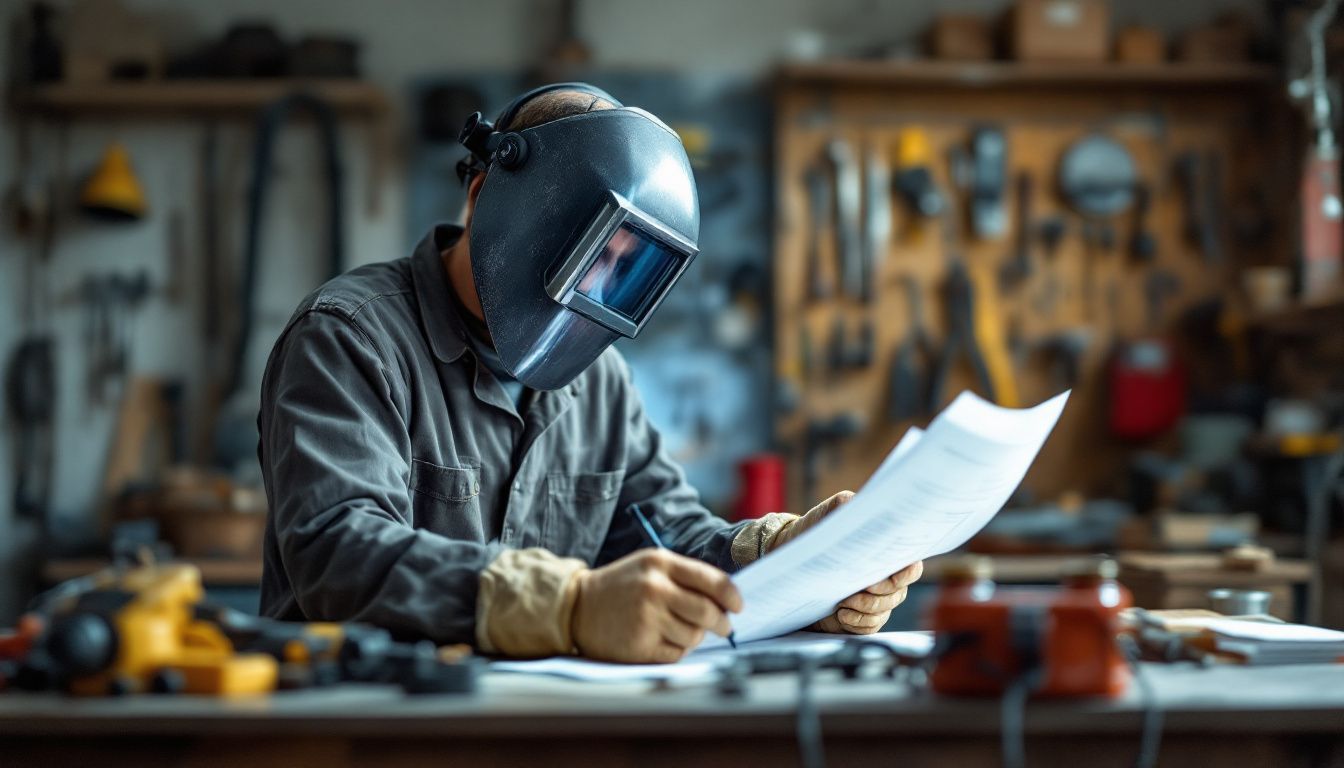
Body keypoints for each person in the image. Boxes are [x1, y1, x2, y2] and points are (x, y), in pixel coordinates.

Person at [257, 83, 922, 663]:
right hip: (364, 727)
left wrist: (793, 561)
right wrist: (568, 604)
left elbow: (669, 536)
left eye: (622, 267)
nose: (592, 288)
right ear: (484, 194)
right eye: (586, 250)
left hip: (535, 726)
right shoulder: (351, 336)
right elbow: (338, 553)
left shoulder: (600, 382)